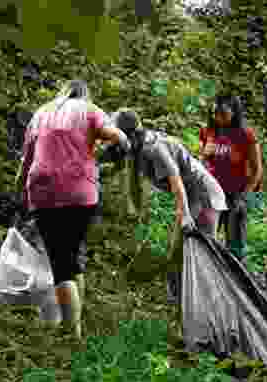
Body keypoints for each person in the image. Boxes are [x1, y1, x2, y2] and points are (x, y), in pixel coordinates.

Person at [16, 79, 131, 339]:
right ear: (84, 94)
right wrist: (115, 156)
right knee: (71, 259)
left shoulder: (42, 112)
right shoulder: (89, 110)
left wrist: (20, 193)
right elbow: (120, 138)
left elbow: (26, 161)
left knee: (61, 263)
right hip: (81, 193)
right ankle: (76, 330)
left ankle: (71, 337)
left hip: (43, 192)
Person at [108, 108, 228, 302]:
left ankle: (211, 304)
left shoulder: (152, 148)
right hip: (192, 196)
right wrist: (134, 213)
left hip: (204, 196)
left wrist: (185, 214)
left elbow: (176, 180)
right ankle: (179, 302)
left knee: (201, 253)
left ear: (127, 134)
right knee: (178, 253)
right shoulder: (134, 149)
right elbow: (133, 183)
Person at [199, 95, 263, 266]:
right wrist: (204, 154)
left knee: (235, 245)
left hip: (236, 194)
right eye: (214, 113)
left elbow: (257, 170)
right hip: (212, 192)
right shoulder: (208, 131)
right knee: (205, 239)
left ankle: (239, 281)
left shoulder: (245, 134)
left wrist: (245, 197)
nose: (218, 117)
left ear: (234, 112)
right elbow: (202, 163)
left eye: (223, 113)